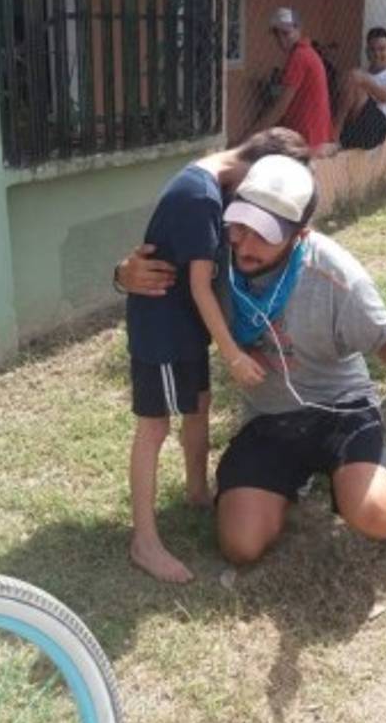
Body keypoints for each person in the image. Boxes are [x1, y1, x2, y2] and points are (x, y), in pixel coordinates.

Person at [119, 156, 386, 571]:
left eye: (264, 234)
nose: (244, 243)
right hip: (269, 418)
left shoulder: (336, 274)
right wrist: (123, 274)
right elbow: (152, 269)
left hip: (342, 410)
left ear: (300, 234)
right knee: (241, 546)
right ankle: (292, 480)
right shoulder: (219, 253)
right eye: (240, 225)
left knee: (374, 514)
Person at [119, 129, 310, 584]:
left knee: (199, 407)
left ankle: (197, 491)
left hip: (186, 327)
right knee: (155, 426)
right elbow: (200, 285)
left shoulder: (208, 188)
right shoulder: (199, 197)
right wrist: (232, 354)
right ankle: (143, 541)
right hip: (163, 330)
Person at [248, 7, 334, 153]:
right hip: (313, 135)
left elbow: (279, 108)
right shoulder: (305, 52)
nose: (281, 39)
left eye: (286, 33)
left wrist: (249, 138)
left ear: (298, 30)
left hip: (306, 138)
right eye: (277, 34)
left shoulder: (299, 56)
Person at [332, 26, 386, 152]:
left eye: (382, 49)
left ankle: (333, 136)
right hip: (356, 126)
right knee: (347, 81)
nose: (377, 54)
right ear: (367, 51)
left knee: (354, 79)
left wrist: (363, 81)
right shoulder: (361, 74)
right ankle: (337, 134)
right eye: (372, 50)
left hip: (377, 129)